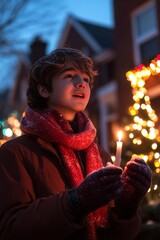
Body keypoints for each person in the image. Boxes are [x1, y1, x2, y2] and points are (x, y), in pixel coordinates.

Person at [0, 47, 152, 240]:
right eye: (70, 76)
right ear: (44, 89)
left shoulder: (100, 154)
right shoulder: (15, 153)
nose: (81, 84)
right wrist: (76, 201)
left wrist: (128, 206)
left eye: (87, 79)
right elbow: (10, 229)